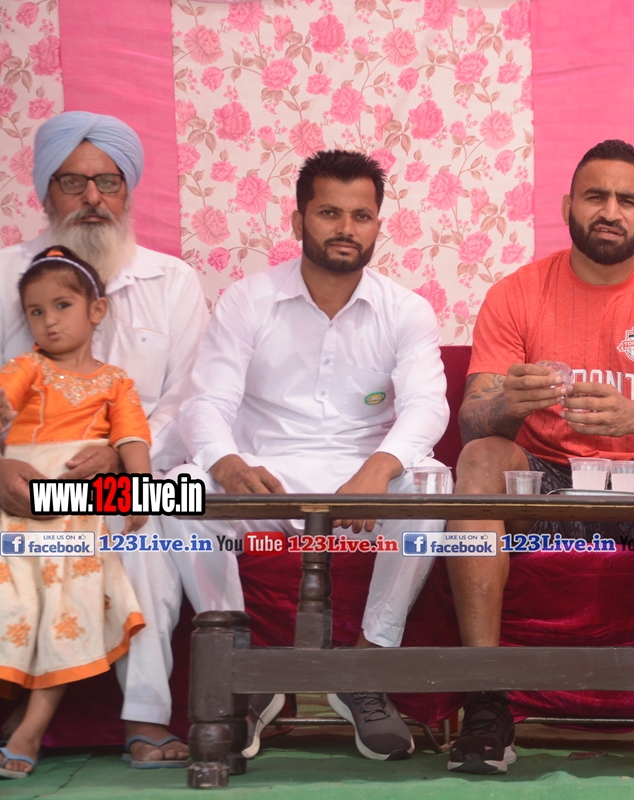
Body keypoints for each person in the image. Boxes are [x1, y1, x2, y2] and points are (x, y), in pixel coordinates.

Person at [445, 139, 634, 774]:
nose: (610, 211)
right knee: (483, 457)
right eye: (595, 196)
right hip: (544, 485)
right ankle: (486, 697)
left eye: (627, 200)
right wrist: (508, 405)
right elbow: (472, 421)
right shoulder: (516, 292)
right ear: (567, 205)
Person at [170, 149, 450, 762]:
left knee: (430, 482)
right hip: (264, 486)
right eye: (329, 213)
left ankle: (367, 669)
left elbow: (427, 407)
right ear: (299, 221)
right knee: (179, 491)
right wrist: (227, 464)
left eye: (361, 216)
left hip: (361, 493)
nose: (346, 228)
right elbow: (205, 402)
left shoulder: (406, 310)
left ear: (378, 226)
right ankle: (242, 670)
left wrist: (377, 471)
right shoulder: (247, 300)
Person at [0, 111, 207, 767]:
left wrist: (123, 460)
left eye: (108, 182)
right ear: (46, 191)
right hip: (24, 481)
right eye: (73, 182)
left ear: (127, 190)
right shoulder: (5, 275)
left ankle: (145, 719)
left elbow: (186, 401)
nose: (93, 198)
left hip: (136, 477)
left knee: (159, 515)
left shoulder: (172, 281)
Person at [0, 247, 151, 778]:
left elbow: (132, 438)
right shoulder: (26, 367)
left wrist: (139, 488)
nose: (49, 320)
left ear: (97, 310)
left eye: (62, 305)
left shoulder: (116, 382)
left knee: (70, 607)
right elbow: (4, 400)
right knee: (16, 605)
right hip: (16, 504)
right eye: (36, 311)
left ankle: (30, 731)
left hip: (78, 511)